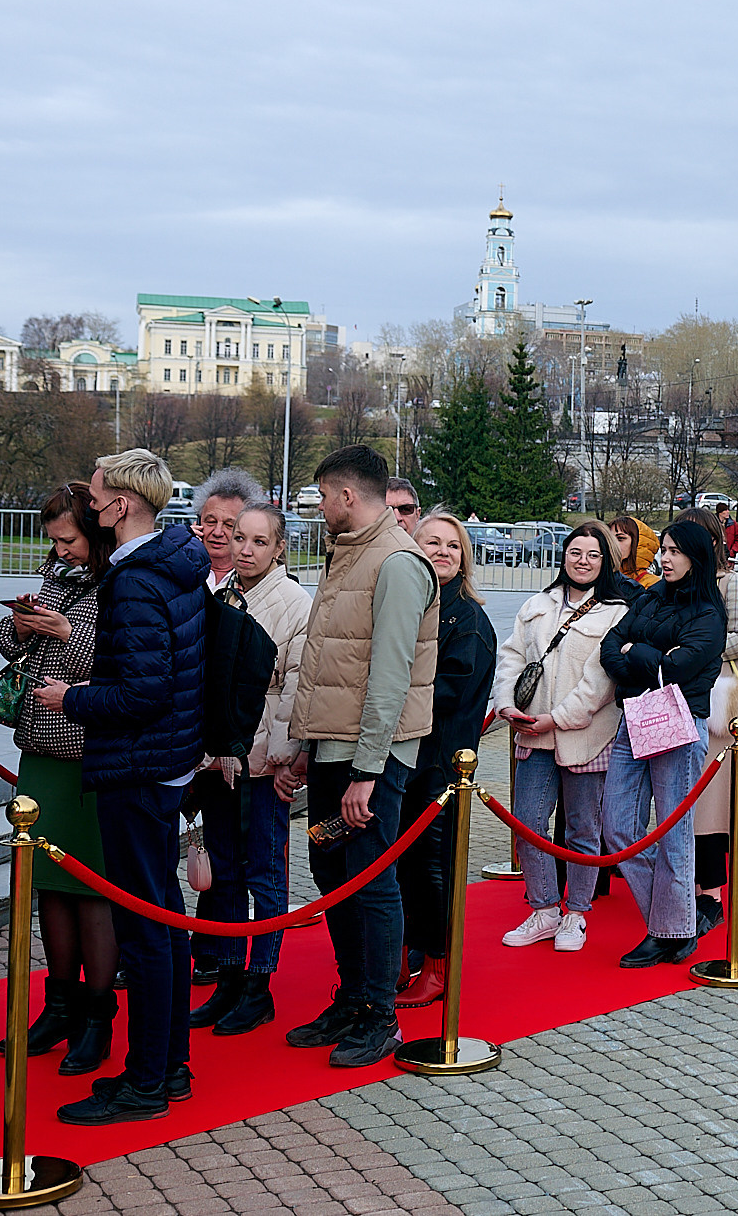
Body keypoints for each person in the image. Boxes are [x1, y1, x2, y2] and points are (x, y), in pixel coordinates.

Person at [42, 448, 209, 1122]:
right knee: (161, 922)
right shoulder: (168, 563)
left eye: (99, 489)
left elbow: (142, 690)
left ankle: (147, 1081)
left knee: (148, 931)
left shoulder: (137, 580)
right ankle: (166, 1068)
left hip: (139, 765)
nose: (91, 498)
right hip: (159, 760)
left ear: (124, 505)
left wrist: (72, 699)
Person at [276, 445, 438, 1070]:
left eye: (322, 497)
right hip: (333, 750)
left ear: (347, 496)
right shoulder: (351, 556)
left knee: (369, 881)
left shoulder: (396, 562)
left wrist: (367, 772)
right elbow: (329, 667)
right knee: (331, 871)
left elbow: (390, 679)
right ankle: (352, 999)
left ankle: (380, 1012)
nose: (318, 509)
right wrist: (305, 748)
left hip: (371, 762)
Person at [0, 486, 121, 1072]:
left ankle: (98, 1016)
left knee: (91, 889)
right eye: (53, 541)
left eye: (67, 540)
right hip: (39, 748)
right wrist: (21, 628)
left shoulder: (118, 580)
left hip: (88, 754)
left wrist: (67, 632)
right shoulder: (54, 576)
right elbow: (8, 650)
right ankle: (60, 1004)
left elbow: (122, 663)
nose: (59, 551)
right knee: (47, 883)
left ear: (93, 536)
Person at [187, 502, 311, 1037]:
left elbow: (295, 686)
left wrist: (279, 756)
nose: (245, 548)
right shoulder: (218, 594)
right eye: (239, 538)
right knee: (227, 874)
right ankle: (230, 978)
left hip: (261, 760)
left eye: (259, 541)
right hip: (217, 756)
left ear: (279, 548)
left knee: (266, 870)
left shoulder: (293, 604)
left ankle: (260, 983)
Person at [492, 522, 626, 952]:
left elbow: (600, 683)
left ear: (605, 562)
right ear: (563, 555)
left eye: (593, 554)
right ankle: (545, 908)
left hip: (586, 736)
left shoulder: (616, 611)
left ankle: (578, 913)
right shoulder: (537, 603)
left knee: (582, 829)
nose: (582, 561)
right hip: (531, 733)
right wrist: (506, 705)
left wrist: (558, 718)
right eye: (575, 552)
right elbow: (512, 657)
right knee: (528, 823)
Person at [599, 521, 727, 966]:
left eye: (676, 551)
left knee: (674, 831)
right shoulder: (650, 595)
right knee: (616, 827)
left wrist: (639, 653)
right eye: (664, 550)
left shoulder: (710, 614)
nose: (666, 558)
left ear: (697, 556)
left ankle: (669, 930)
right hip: (633, 716)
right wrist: (644, 658)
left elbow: (679, 669)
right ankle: (678, 918)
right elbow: (610, 647)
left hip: (678, 721)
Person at [395, 512, 495, 1007]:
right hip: (401, 761)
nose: (442, 552)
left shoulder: (468, 620)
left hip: (439, 767)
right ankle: (400, 954)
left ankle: (438, 965)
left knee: (433, 870)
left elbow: (447, 697)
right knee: (401, 868)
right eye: (431, 542)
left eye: (452, 546)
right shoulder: (406, 603)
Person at [677, 507, 738, 935]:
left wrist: (694, 648)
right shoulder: (671, 584)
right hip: (672, 698)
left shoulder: (732, 583)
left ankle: (710, 892)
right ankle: (679, 882)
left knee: (711, 804)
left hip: (716, 695)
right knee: (678, 801)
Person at [193, 469, 262, 594]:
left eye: (229, 525)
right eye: (211, 522)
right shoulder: (179, 570)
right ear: (197, 523)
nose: (217, 532)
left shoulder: (260, 582)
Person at [608, 515, 659, 589]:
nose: (612, 544)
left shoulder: (653, 586)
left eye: (620, 538)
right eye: (610, 539)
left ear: (638, 543)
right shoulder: (602, 579)